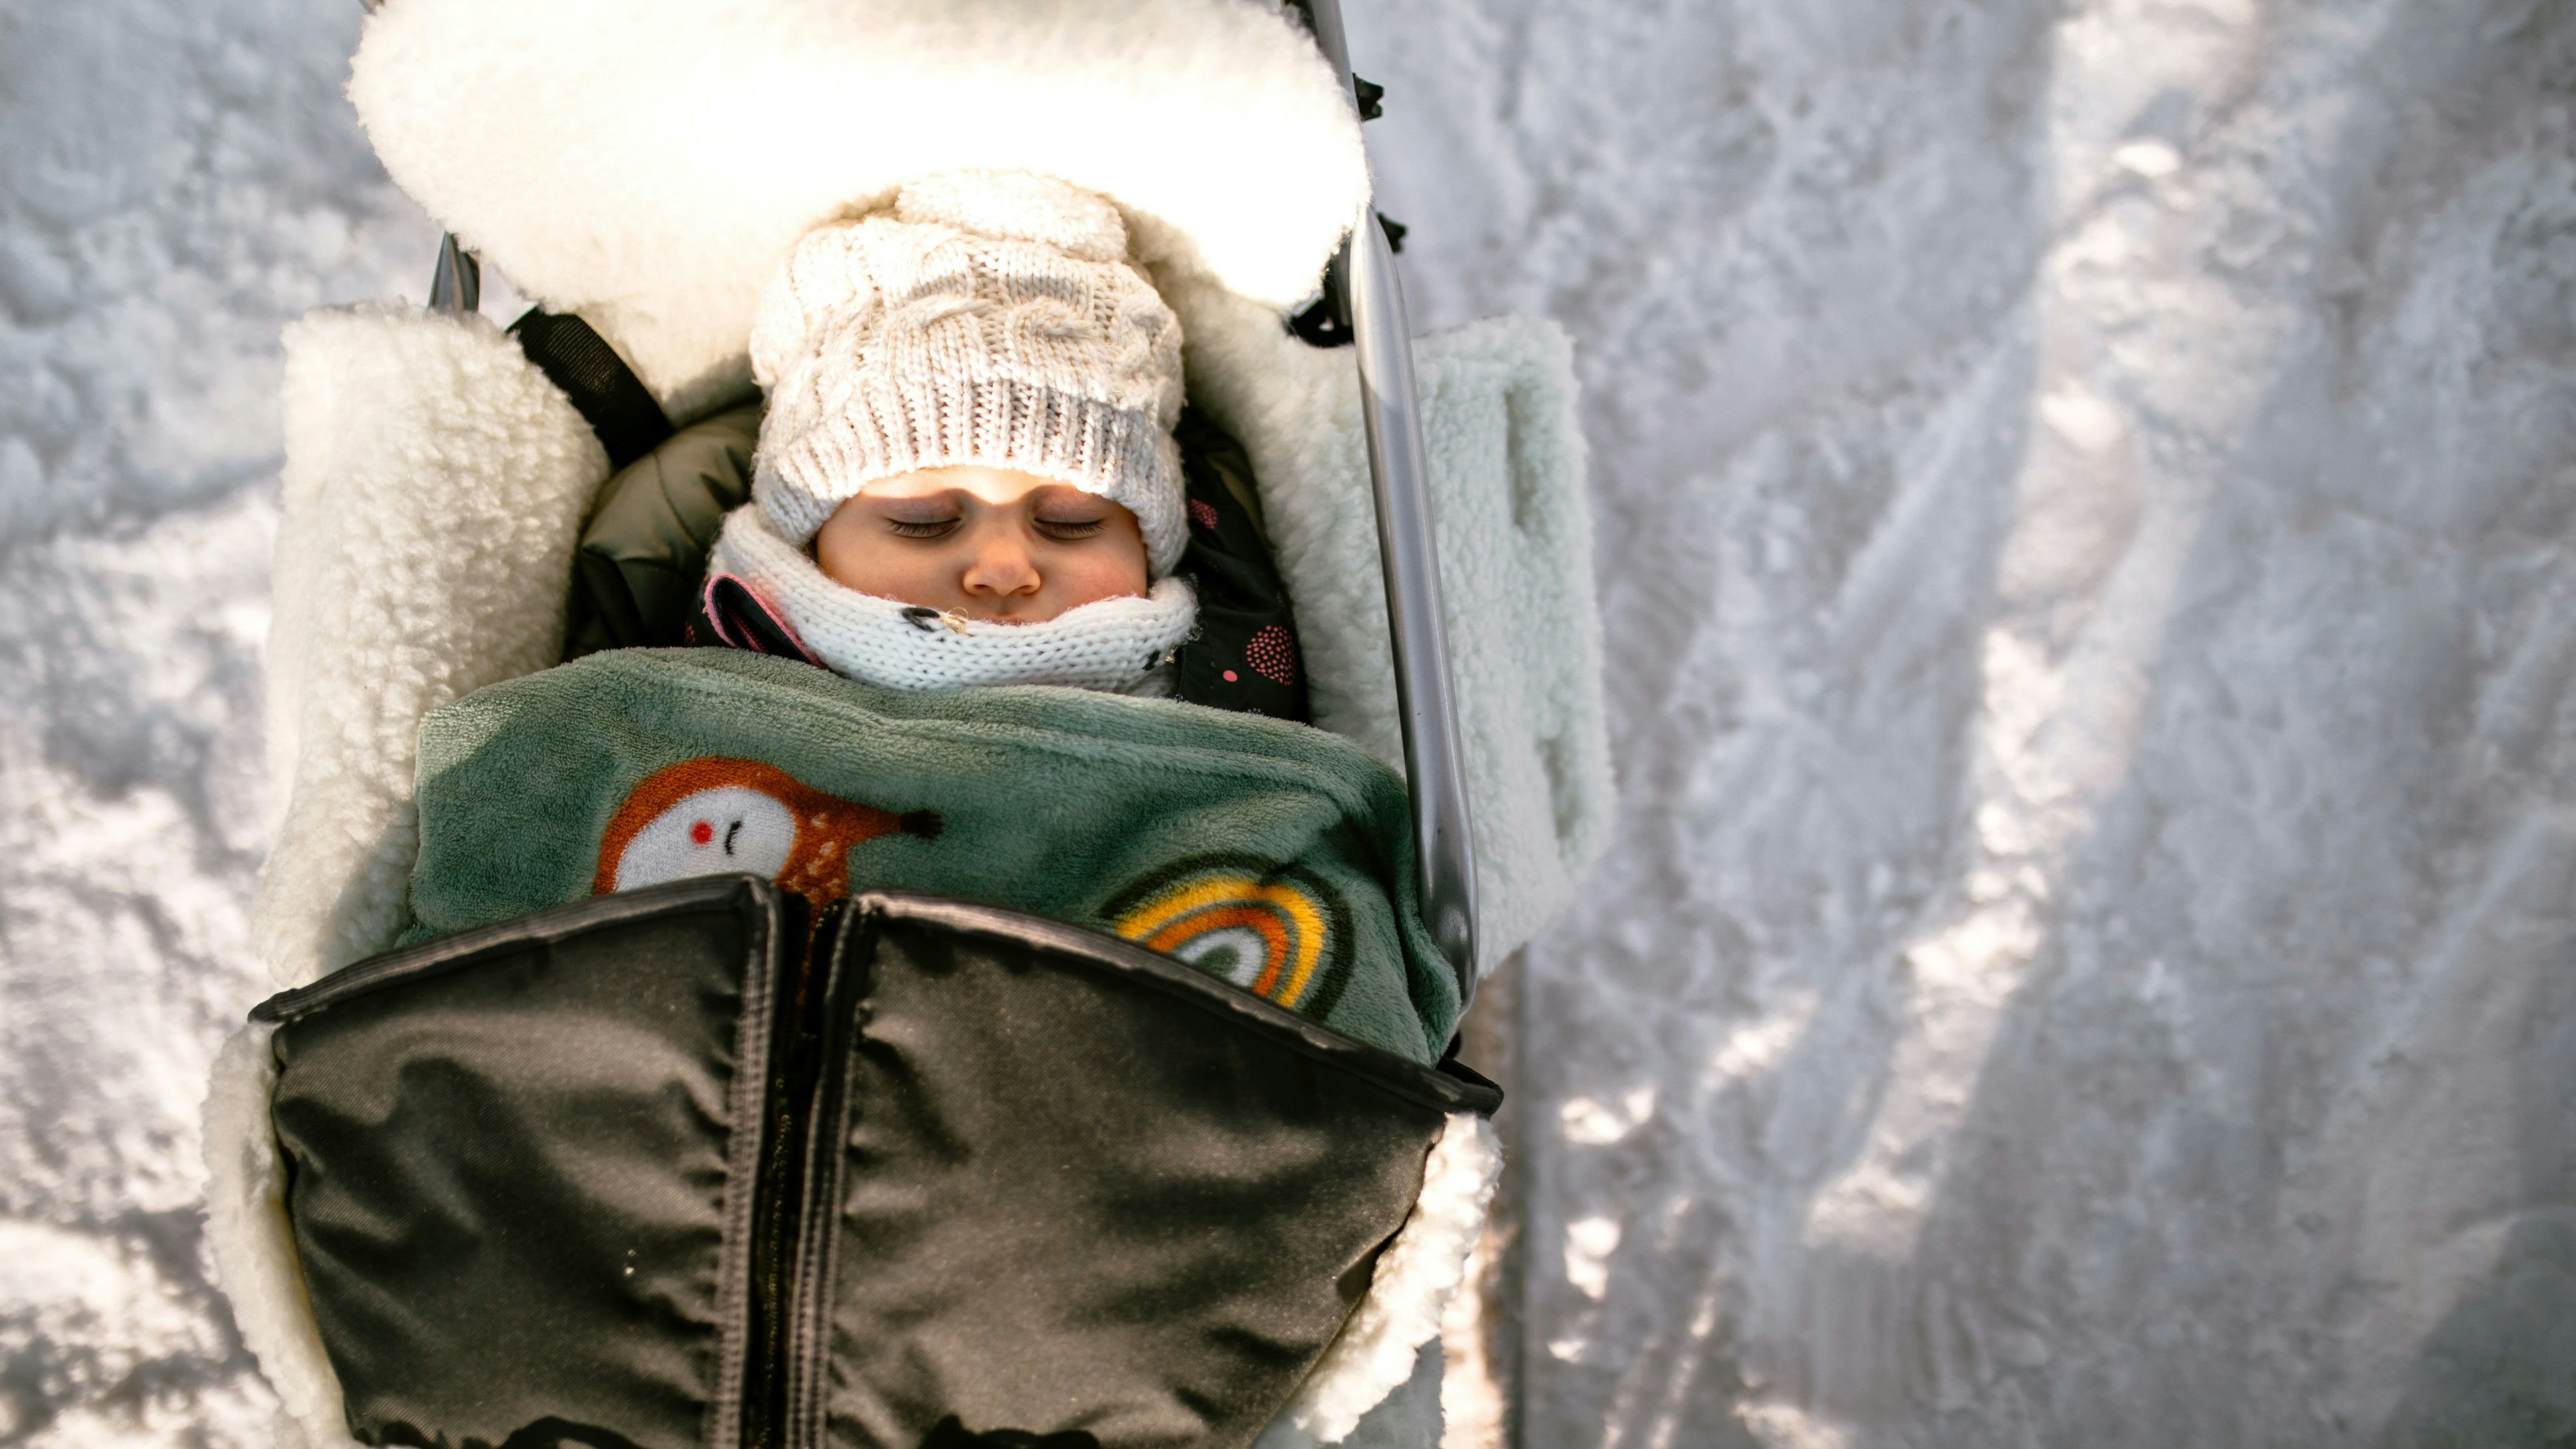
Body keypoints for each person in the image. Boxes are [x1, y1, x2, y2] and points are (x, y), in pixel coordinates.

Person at [696, 168, 1203, 697]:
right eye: (923, 522)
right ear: (807, 542)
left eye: (1070, 522)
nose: (1004, 569)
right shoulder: (686, 703)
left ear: (1148, 547)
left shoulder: (1243, 702)